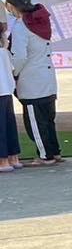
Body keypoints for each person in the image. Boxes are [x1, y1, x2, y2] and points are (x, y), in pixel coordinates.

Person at [5, 0, 60, 166]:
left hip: (31, 81)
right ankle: (55, 152)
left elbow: (20, 56)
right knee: (48, 119)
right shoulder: (41, 20)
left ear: (11, 6)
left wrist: (13, 73)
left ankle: (45, 156)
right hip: (47, 78)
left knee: (35, 123)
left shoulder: (21, 26)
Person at [0, 17, 20, 173]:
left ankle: (3, 161)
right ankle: (14, 158)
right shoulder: (4, 52)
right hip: (6, 92)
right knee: (9, 124)